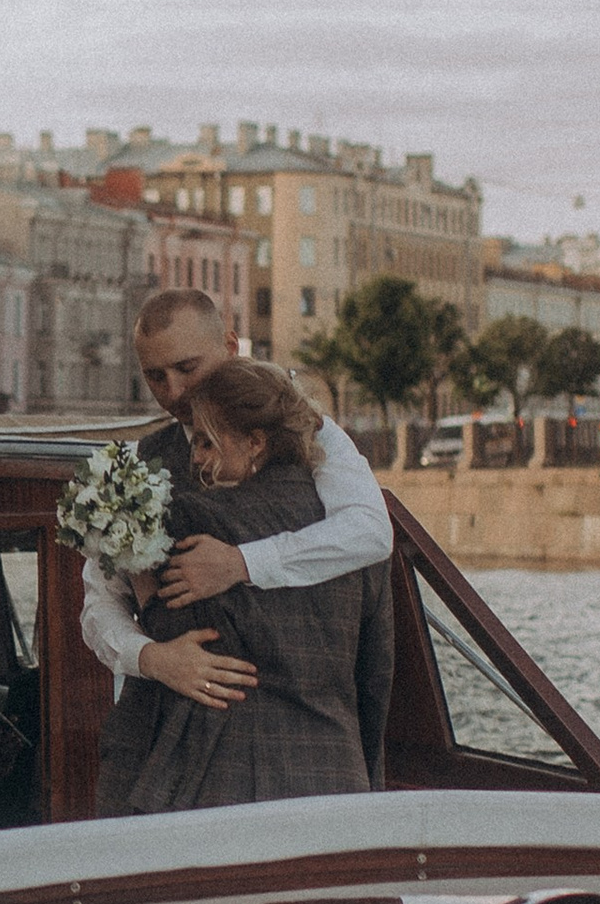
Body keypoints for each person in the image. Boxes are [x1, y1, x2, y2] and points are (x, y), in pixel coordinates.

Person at [80, 287, 391, 730]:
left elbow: (370, 531)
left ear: (229, 347)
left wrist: (239, 563)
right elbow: (100, 603)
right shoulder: (131, 466)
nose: (175, 391)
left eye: (188, 368)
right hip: (173, 724)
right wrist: (153, 659)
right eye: (155, 377)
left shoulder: (312, 434)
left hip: (303, 720)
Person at [98, 360, 390, 815]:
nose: (196, 459)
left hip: (231, 777)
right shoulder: (356, 527)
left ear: (255, 442)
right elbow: (377, 668)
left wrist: (139, 577)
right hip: (337, 769)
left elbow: (167, 623)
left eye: (205, 442)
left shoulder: (197, 521)